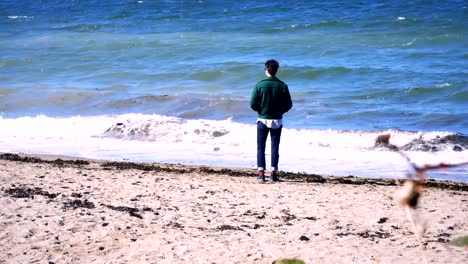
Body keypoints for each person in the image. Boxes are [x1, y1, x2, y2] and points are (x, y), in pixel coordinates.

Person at [249, 59, 293, 183]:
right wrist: (280, 112)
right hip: (277, 120)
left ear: (266, 70)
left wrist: (261, 111)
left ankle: (261, 174)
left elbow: (252, 104)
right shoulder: (282, 85)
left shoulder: (259, 85)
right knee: (275, 147)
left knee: (260, 147)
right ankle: (273, 174)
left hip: (262, 119)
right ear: (276, 71)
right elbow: (289, 104)